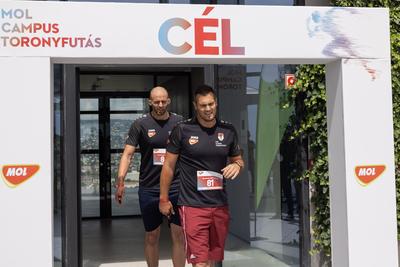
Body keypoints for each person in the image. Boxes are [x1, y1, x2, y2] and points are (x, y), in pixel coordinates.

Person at [159, 85, 244, 267]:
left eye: (211, 104)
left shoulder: (228, 130)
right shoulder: (182, 130)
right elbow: (168, 166)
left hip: (220, 205)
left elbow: (238, 160)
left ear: (216, 103)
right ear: (195, 106)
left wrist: (237, 166)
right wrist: (163, 198)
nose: (208, 109)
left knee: (214, 259)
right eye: (203, 105)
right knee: (200, 262)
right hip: (192, 206)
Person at [115, 86, 185, 267]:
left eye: (163, 101)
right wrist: (120, 181)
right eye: (156, 101)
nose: (160, 105)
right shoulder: (140, 124)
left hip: (176, 187)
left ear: (169, 100)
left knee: (178, 234)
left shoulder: (179, 122)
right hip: (149, 188)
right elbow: (127, 154)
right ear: (150, 102)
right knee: (152, 235)